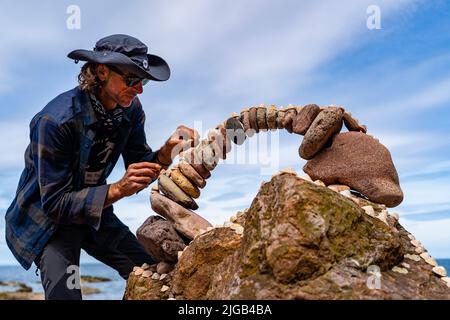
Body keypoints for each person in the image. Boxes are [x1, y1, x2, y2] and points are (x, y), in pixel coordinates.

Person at [4, 34, 198, 299]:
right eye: (131, 79)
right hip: (48, 223)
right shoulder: (55, 121)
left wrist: (166, 153)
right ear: (102, 71)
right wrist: (118, 189)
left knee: (155, 276)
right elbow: (56, 204)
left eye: (142, 81)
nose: (139, 89)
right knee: (66, 296)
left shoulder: (130, 110)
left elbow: (140, 166)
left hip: (96, 213)